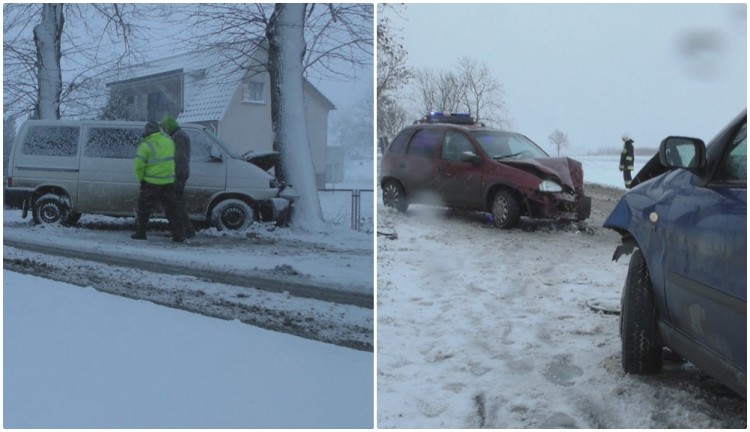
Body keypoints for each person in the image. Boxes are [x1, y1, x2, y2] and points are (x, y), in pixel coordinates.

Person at [132, 121, 185, 242]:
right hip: (168, 182)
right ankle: (179, 234)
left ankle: (141, 232)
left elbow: (139, 166)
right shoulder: (169, 142)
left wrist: (141, 179)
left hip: (151, 183)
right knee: (172, 210)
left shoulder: (146, 145)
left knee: (144, 210)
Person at [160, 115, 196, 238]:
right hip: (181, 172)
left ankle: (186, 229)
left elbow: (180, 158)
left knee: (175, 203)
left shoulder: (178, 136)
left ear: (169, 126)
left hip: (179, 173)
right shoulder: (179, 135)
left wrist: (174, 174)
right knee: (177, 202)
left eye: (165, 128)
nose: (165, 130)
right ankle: (183, 229)